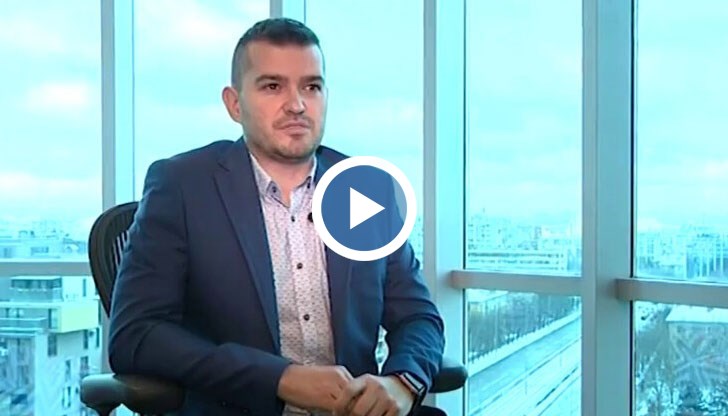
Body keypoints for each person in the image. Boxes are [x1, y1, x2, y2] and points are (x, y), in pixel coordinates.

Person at [108, 17, 445, 416]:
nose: (297, 105)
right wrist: (279, 379)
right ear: (235, 104)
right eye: (272, 86)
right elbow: (137, 334)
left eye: (311, 87)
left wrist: (403, 381)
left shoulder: (365, 188)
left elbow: (418, 317)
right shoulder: (183, 186)